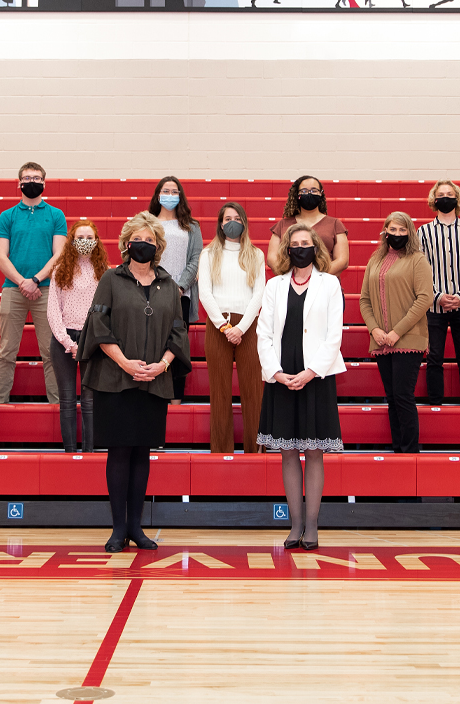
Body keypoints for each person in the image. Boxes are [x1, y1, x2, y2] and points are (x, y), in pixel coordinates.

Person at [78, 212, 190, 552]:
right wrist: (125, 362)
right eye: (137, 239)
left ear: (158, 246)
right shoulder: (111, 279)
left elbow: (178, 332)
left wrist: (161, 365)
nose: (143, 244)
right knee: (119, 452)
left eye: (150, 240)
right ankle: (118, 529)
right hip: (115, 379)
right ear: (127, 245)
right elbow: (97, 326)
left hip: (154, 380)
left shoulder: (170, 286)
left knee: (142, 454)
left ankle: (137, 528)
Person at [257, 224, 346, 550]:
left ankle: (312, 527)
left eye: (305, 243)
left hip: (316, 377)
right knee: (288, 453)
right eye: (294, 244)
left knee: (314, 452)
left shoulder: (330, 284)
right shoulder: (274, 286)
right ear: (287, 250)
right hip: (282, 377)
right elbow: (264, 334)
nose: (300, 248)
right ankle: (294, 526)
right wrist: (276, 372)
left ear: (315, 248)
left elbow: (334, 335)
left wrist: (310, 372)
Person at [360, 213, 434, 453]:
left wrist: (396, 332)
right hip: (381, 340)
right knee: (392, 398)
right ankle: (398, 451)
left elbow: (424, 299)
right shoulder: (375, 259)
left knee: (403, 396)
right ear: (385, 231)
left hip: (409, 339)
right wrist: (375, 329)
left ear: (410, 233)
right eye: (394, 229)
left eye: (403, 231)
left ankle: (410, 453)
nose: (398, 235)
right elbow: (364, 300)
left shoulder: (417, 259)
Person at [0, 162, 67, 404]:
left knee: (51, 353)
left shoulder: (56, 215)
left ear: (44, 183)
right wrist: (23, 282)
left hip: (46, 291)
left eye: (36, 178)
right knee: (6, 352)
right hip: (13, 290)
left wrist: (35, 280)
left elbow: (59, 255)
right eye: (27, 178)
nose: (31, 181)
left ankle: (57, 406)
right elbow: (0, 256)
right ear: (19, 183)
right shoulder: (7, 216)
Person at [199, 203, 266, 454]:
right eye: (227, 218)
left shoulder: (256, 255)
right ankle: (221, 450)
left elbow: (259, 294)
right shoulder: (209, 254)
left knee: (253, 392)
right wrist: (225, 327)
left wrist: (241, 328)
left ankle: (256, 450)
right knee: (219, 393)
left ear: (244, 222)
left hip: (248, 326)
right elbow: (205, 293)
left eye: (237, 218)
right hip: (218, 326)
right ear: (220, 223)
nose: (232, 222)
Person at [48, 220, 110, 453]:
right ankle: (70, 452)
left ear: (96, 241)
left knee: (89, 401)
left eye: (89, 238)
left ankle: (89, 451)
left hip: (92, 339)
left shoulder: (104, 270)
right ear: (72, 241)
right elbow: (53, 310)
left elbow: (105, 309)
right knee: (66, 401)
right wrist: (67, 342)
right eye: (80, 238)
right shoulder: (59, 269)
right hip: (63, 339)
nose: (85, 242)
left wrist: (88, 341)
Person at [417, 181, 460, 406]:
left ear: (458, 199)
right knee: (434, 359)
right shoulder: (423, 232)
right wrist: (438, 296)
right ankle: (435, 404)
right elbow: (420, 269)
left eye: (450, 194)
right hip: (434, 306)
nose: (446, 197)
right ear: (434, 200)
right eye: (441, 194)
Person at [148, 176, 201, 405]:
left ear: (180, 195)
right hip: (151, 292)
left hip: (181, 294)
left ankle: (176, 398)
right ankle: (153, 395)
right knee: (152, 343)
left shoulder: (191, 226)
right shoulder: (147, 222)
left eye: (174, 191)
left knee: (177, 345)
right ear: (158, 194)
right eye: (165, 190)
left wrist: (180, 287)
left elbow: (195, 258)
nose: (170, 194)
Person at [267, 175, 349, 277]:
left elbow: (342, 260)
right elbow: (271, 258)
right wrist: (293, 278)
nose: (309, 194)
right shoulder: (282, 224)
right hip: (290, 286)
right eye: (304, 191)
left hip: (325, 288)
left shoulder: (335, 224)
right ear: (297, 195)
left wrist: (315, 278)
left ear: (321, 194)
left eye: (314, 190)